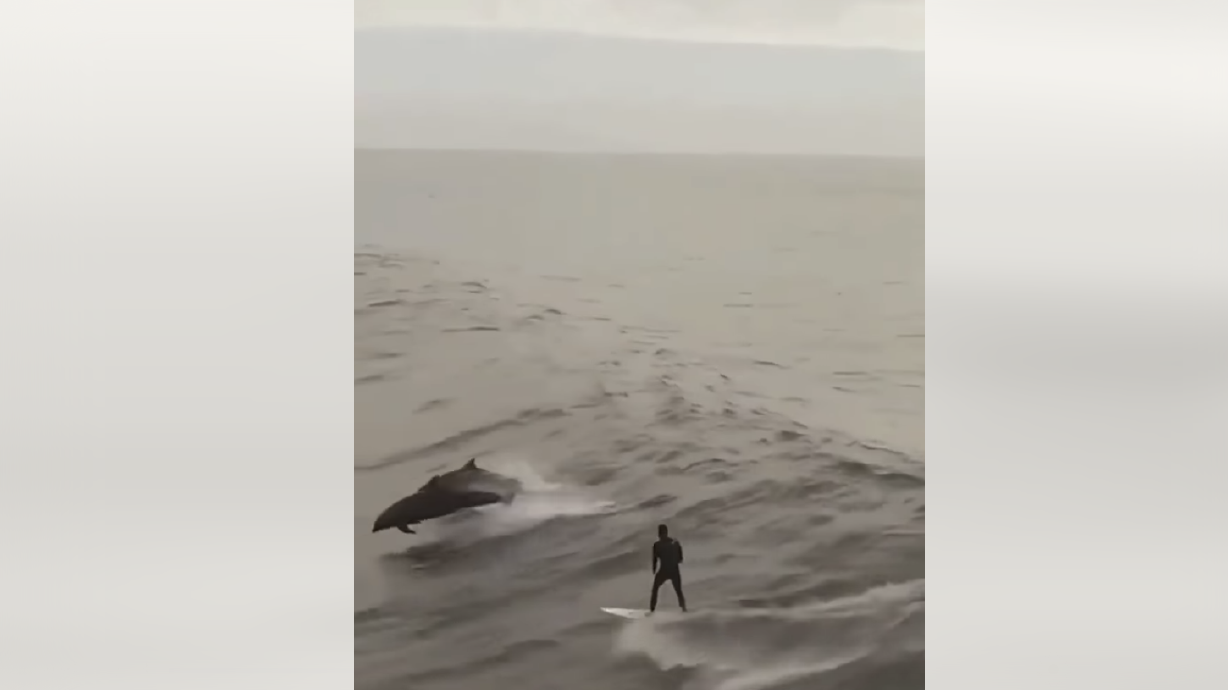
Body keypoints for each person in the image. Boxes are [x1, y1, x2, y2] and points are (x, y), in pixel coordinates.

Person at [650, 524, 687, 613]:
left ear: (659, 534)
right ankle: (684, 609)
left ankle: (652, 610)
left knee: (655, 589)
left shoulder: (657, 545)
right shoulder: (675, 542)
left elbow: (655, 559)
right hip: (674, 570)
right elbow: (680, 558)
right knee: (678, 591)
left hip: (665, 571)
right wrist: (677, 559)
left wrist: (654, 568)